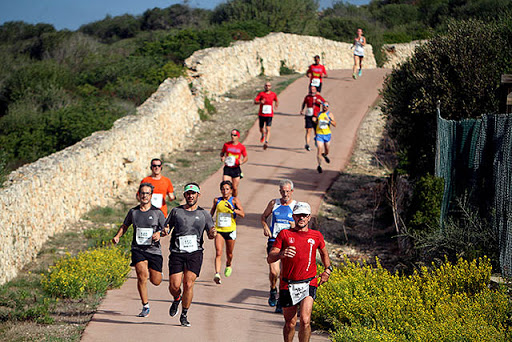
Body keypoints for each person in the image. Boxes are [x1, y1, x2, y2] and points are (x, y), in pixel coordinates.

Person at [267, 202, 332, 342]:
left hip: (309, 282)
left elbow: (324, 253)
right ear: (293, 216)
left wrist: (327, 270)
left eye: (304, 215)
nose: (301, 218)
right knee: (290, 323)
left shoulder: (316, 236)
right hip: (288, 284)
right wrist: (281, 254)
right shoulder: (285, 234)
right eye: (298, 215)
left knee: (305, 320)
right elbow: (270, 258)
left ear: (309, 217)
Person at [165, 183, 216, 327]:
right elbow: (167, 227)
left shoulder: (204, 214)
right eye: (188, 193)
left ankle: (184, 314)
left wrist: (212, 233)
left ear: (198, 195)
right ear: (184, 195)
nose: (190, 196)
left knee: (188, 283)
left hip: (195, 253)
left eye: (193, 193)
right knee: (174, 286)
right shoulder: (176, 211)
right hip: (177, 252)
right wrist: (164, 231)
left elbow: (211, 232)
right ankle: (176, 298)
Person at [112, 183, 166, 318]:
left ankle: (158, 275)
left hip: (153, 249)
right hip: (138, 249)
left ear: (151, 196)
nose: (144, 196)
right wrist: (117, 236)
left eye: (147, 193)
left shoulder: (157, 212)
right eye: (142, 193)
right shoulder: (133, 212)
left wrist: (160, 233)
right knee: (142, 275)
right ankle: (145, 305)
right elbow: (125, 225)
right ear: (138, 195)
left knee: (156, 281)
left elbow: (166, 229)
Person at [261, 179, 296, 313]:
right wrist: (265, 227)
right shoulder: (273, 203)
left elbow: (303, 224)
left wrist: (295, 227)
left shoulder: (296, 206)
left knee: (284, 274)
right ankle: (272, 289)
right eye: (283, 191)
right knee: (274, 271)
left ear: (292, 191)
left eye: (287, 191)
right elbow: (263, 217)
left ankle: (280, 301)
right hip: (274, 241)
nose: (285, 194)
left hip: (289, 243)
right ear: (279, 191)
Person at [210, 180, 245, 284]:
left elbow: (242, 214)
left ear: (231, 190)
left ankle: (228, 264)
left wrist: (233, 210)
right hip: (219, 230)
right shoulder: (217, 200)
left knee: (229, 253)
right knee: (218, 252)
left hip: (230, 230)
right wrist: (208, 222)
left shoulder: (234, 201)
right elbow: (212, 212)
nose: (224, 191)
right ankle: (217, 274)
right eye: (223, 189)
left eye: (227, 189)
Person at [220, 129, 248, 197]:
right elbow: (222, 153)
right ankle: (225, 200)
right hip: (227, 168)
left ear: (238, 136)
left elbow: (246, 157)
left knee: (234, 188)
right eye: (232, 135)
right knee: (225, 186)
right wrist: (222, 157)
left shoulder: (241, 147)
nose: (233, 137)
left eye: (235, 135)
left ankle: (234, 200)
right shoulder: (226, 145)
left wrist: (242, 161)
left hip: (236, 168)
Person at [299, 85, 326, 151]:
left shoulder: (318, 97)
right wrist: (302, 109)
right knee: (308, 130)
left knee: (316, 131)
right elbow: (304, 103)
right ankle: (307, 144)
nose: (312, 91)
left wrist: (321, 103)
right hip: (308, 115)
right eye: (311, 89)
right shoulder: (307, 97)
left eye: (313, 89)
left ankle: (316, 140)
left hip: (316, 116)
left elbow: (325, 104)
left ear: (316, 90)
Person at [254, 82, 279, 150]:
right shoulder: (261, 94)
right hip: (262, 114)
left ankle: (266, 142)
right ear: (264, 86)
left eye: (269, 86)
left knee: (268, 128)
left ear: (270, 87)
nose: (267, 87)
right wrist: (260, 102)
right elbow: (255, 101)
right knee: (261, 129)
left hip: (269, 114)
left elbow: (276, 100)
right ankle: (263, 134)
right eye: (266, 85)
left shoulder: (273, 94)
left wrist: (276, 105)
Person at [313, 103, 336, 174]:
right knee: (319, 149)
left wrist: (328, 120)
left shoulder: (330, 114)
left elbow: (335, 124)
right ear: (322, 107)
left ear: (328, 107)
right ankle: (319, 165)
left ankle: (325, 155)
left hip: (327, 135)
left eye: (326, 106)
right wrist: (314, 120)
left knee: (327, 150)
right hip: (319, 134)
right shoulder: (319, 114)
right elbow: (317, 122)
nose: (325, 107)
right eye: (324, 106)